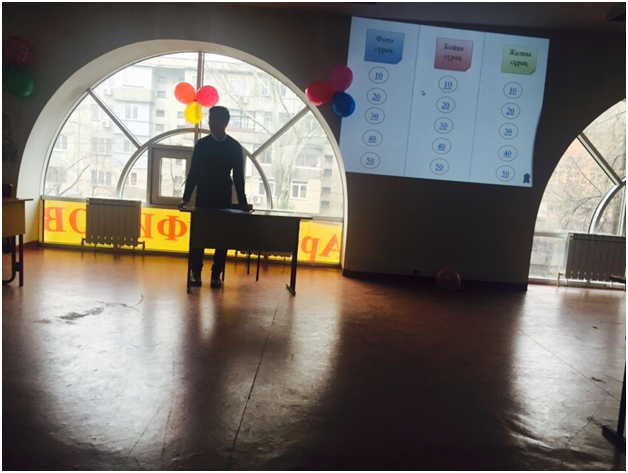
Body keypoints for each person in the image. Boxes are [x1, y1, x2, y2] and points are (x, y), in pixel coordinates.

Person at [178, 106, 251, 289]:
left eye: (215, 120)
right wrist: (186, 198)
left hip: (223, 196)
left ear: (225, 123)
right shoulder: (202, 145)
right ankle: (196, 272)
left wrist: (242, 202)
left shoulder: (234, 147)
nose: (211, 123)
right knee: (199, 235)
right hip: (203, 195)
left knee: (221, 237)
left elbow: (239, 177)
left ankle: (216, 274)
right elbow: (193, 172)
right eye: (210, 120)